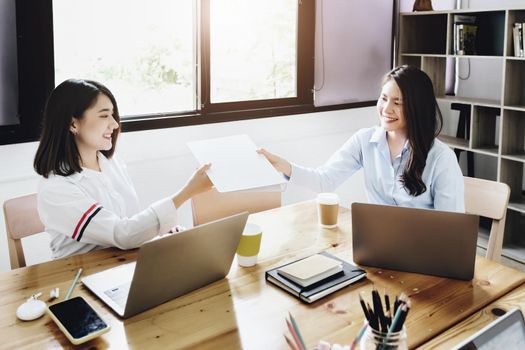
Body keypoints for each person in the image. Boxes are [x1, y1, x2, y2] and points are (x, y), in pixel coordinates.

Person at [34, 79, 213, 259]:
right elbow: (123, 235)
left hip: (120, 263)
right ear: (73, 124)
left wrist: (160, 235)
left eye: (113, 115)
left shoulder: (111, 163)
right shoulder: (56, 188)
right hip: (77, 275)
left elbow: (129, 226)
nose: (115, 124)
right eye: (104, 116)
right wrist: (188, 192)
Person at [259, 65, 464, 212]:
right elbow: (324, 180)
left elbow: (450, 226)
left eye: (397, 103)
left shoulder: (441, 158)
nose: (386, 109)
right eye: (383, 98)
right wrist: (283, 166)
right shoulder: (365, 141)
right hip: (379, 246)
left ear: (417, 108)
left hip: (422, 252)